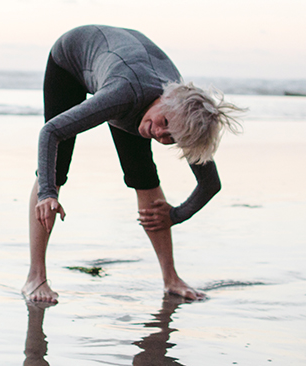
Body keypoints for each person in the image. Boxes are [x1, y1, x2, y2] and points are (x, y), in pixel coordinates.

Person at [23, 25, 243, 303]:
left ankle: (171, 278)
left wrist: (175, 215)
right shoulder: (125, 93)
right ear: (165, 100)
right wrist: (47, 193)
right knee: (55, 169)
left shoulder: (185, 117)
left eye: (171, 138)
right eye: (164, 124)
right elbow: (51, 132)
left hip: (131, 72)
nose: (160, 134)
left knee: (143, 175)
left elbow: (210, 184)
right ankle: (35, 276)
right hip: (72, 59)